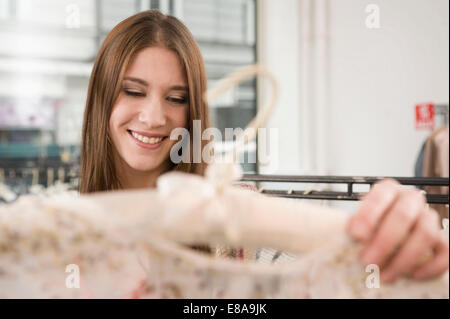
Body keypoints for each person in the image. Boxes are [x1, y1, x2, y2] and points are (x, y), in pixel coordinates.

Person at [79, 10, 448, 284]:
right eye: (133, 91)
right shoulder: (58, 229)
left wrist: (388, 240)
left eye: (176, 98)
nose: (154, 116)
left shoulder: (235, 221)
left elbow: (330, 271)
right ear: (101, 96)